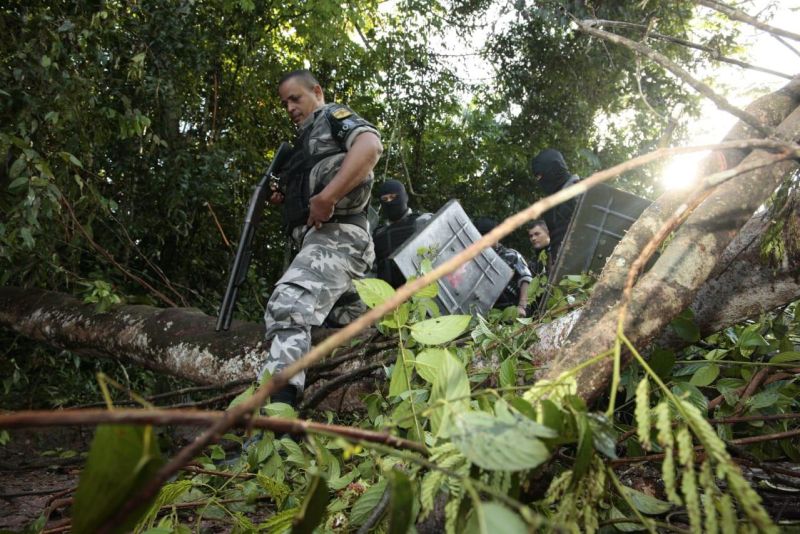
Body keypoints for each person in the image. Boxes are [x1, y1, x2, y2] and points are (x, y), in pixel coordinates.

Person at [263, 69, 383, 406]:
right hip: (321, 243)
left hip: (338, 237)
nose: (290, 108)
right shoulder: (303, 144)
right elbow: (311, 185)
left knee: (289, 305)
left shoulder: (331, 116)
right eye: (285, 103)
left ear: (317, 92)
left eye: (295, 98)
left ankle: (278, 416)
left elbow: (370, 146)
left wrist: (328, 197)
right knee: (353, 329)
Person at [372, 179, 432, 288]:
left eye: (393, 197)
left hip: (422, 290)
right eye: (385, 199)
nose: (389, 202)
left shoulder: (423, 221)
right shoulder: (378, 234)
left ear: (405, 197)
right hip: (390, 295)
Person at [473, 217, 533, 318]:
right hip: (491, 314)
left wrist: (522, 306)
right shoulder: (478, 260)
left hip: (514, 309)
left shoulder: (511, 255)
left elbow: (526, 279)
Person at [529, 148, 580, 260]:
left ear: (553, 169)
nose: (540, 182)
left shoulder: (580, 193)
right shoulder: (556, 204)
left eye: (540, 176)